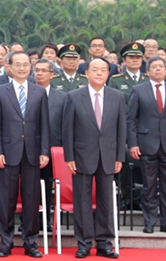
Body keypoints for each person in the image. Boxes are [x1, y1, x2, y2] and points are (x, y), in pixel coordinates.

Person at [62, 58, 125, 259]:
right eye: (95, 70)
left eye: (103, 70)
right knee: (82, 201)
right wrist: (69, 156)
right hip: (81, 155)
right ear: (87, 73)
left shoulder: (117, 96)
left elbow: (121, 129)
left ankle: (105, 243)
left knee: (106, 200)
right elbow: (67, 129)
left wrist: (119, 156)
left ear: (108, 74)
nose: (99, 73)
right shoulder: (73, 96)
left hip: (108, 155)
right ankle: (84, 243)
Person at [0, 52, 50, 258]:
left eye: (26, 64)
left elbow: (44, 125)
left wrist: (44, 151)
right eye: (18, 65)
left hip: (33, 152)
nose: (23, 68)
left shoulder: (39, 92)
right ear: (10, 67)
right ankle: (6, 242)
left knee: (32, 199)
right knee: (6, 199)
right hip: (7, 152)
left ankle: (30, 242)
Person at [127, 56, 166, 234]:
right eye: (154, 67)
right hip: (146, 144)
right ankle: (150, 222)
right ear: (148, 71)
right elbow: (131, 119)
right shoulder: (138, 90)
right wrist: (133, 144)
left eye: (161, 66)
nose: (158, 69)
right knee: (149, 185)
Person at [33, 58, 65, 231]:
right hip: (29, 148)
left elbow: (65, 125)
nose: (39, 74)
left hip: (53, 148)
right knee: (30, 186)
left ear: (52, 75)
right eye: (37, 70)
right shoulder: (27, 92)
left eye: (44, 71)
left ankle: (46, 220)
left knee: (47, 185)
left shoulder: (62, 97)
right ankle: (29, 220)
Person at [109, 42, 148, 107]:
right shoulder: (115, 81)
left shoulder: (148, 79)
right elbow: (112, 103)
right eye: (131, 57)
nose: (135, 60)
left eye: (138, 57)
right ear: (124, 61)